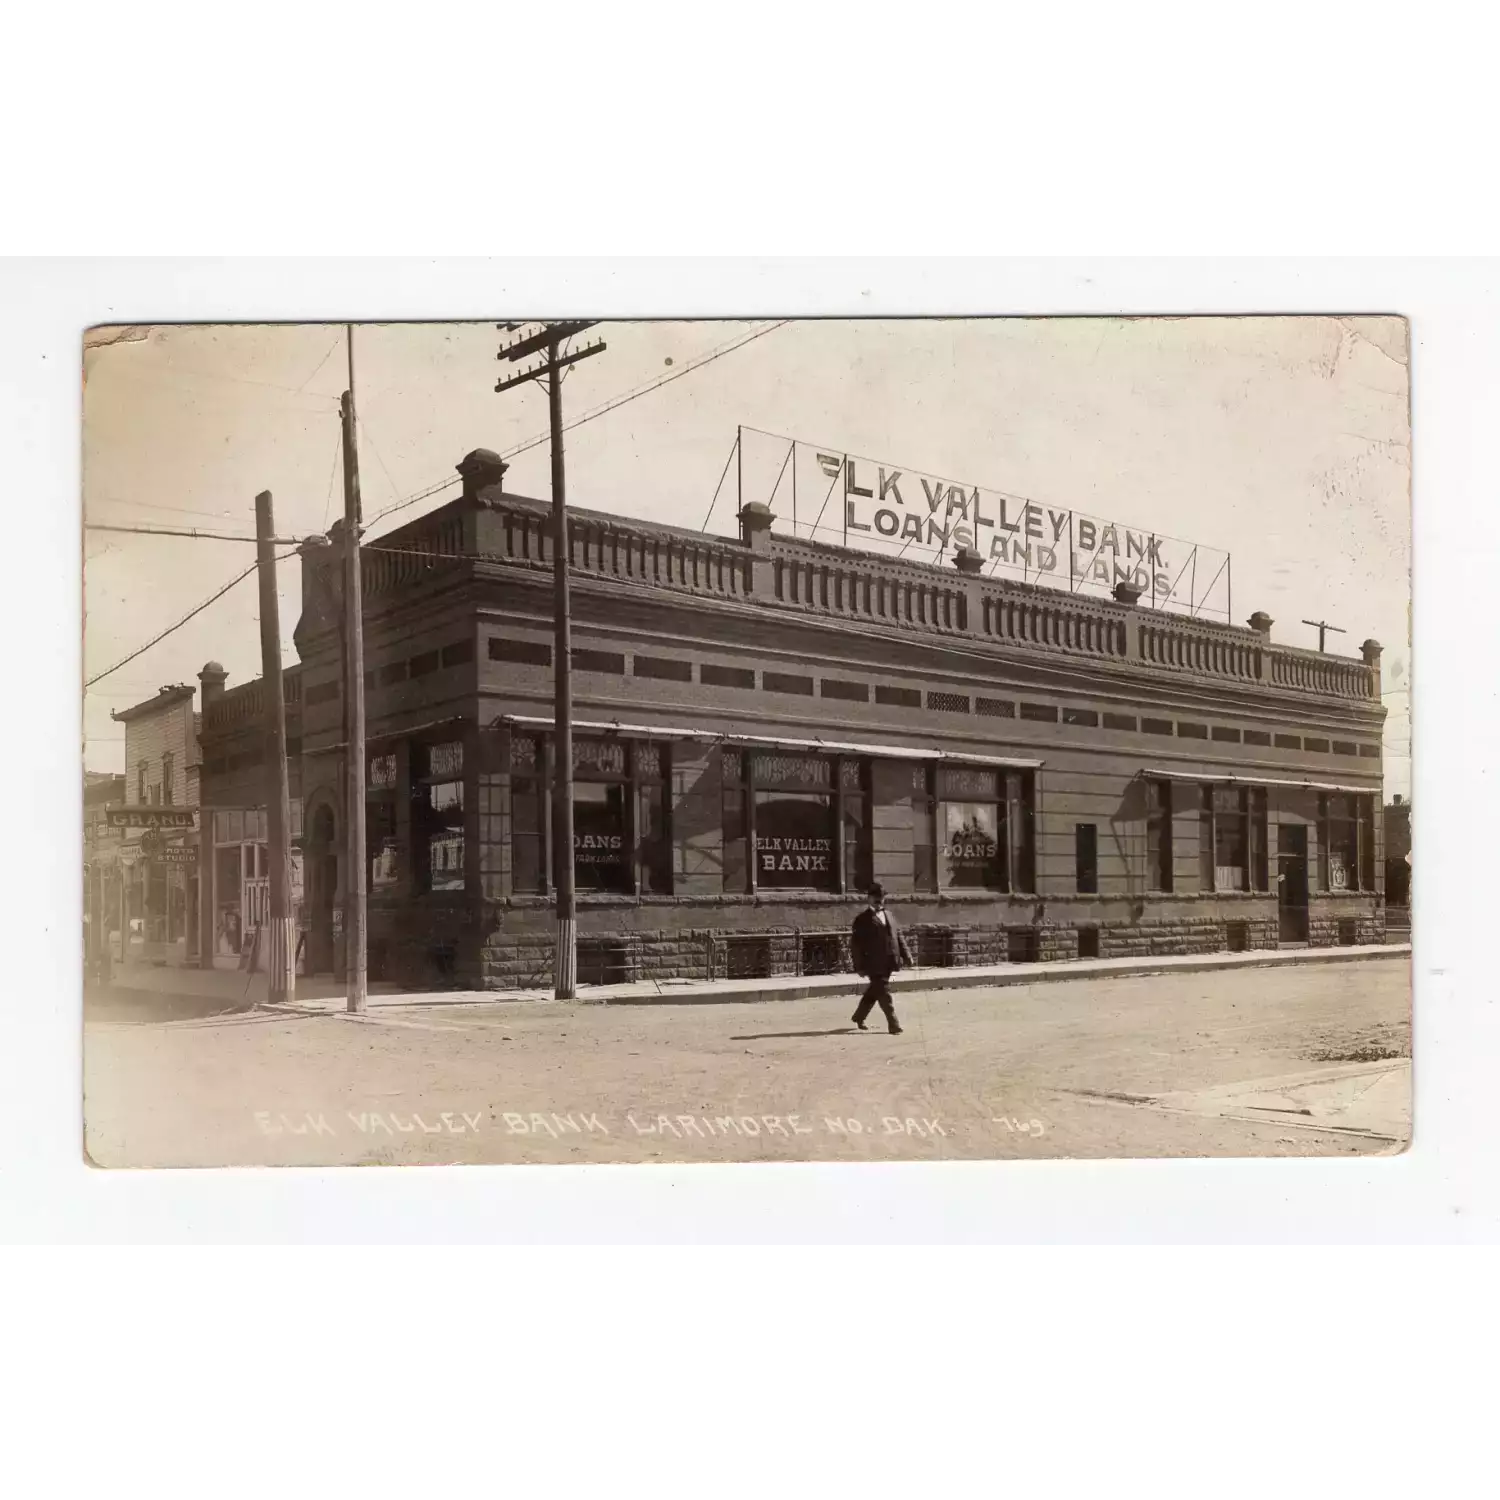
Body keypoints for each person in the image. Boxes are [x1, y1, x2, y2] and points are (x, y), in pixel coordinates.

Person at [850, 883, 912, 1035]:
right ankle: (893, 1024)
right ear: (869, 898)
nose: (879, 901)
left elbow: (899, 937)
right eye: (875, 898)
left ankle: (859, 1016)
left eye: (881, 898)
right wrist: (859, 966)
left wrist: (907, 955)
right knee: (884, 992)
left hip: (890, 960)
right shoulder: (862, 919)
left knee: (875, 990)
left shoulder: (889, 915)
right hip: (873, 963)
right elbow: (856, 946)